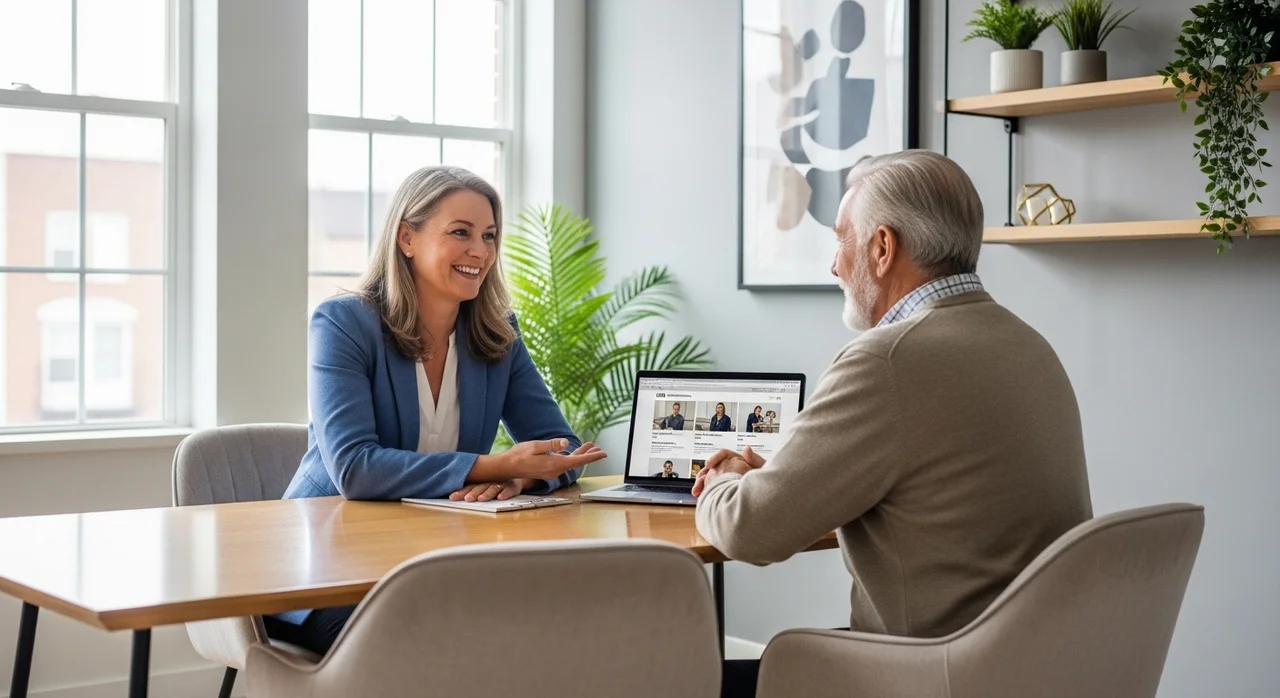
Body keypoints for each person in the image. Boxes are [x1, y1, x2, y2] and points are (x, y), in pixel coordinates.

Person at [692, 151, 1092, 698]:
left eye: (841, 240)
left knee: (678, 681)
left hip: (926, 675)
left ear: (882, 248)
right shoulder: (1029, 344)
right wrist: (796, 482)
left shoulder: (886, 359)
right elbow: (943, 497)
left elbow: (748, 531)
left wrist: (724, 480)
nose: (834, 266)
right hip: (1033, 669)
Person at [265, 165, 608, 656]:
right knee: (436, 644)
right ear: (407, 237)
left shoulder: (497, 333)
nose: (480, 251)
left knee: (537, 626)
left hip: (433, 560)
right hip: (323, 572)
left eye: (489, 235)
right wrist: (491, 466)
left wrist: (519, 479)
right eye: (460, 232)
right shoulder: (344, 324)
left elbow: (567, 449)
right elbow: (356, 468)